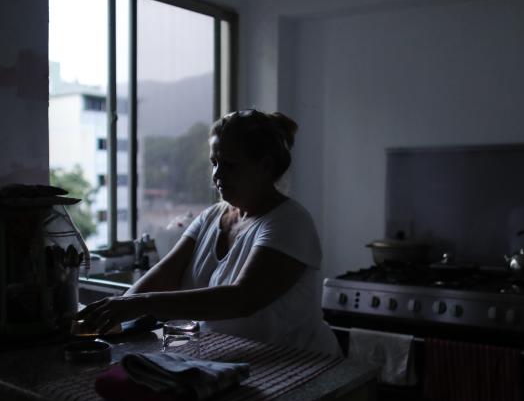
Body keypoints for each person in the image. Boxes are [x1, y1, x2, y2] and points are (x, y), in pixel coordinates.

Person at [74, 109, 340, 356]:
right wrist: (112, 313)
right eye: (214, 162)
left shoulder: (289, 223)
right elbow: (165, 275)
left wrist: (141, 304)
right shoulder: (211, 217)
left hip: (300, 365)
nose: (217, 174)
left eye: (230, 165)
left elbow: (241, 299)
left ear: (266, 166)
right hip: (237, 360)